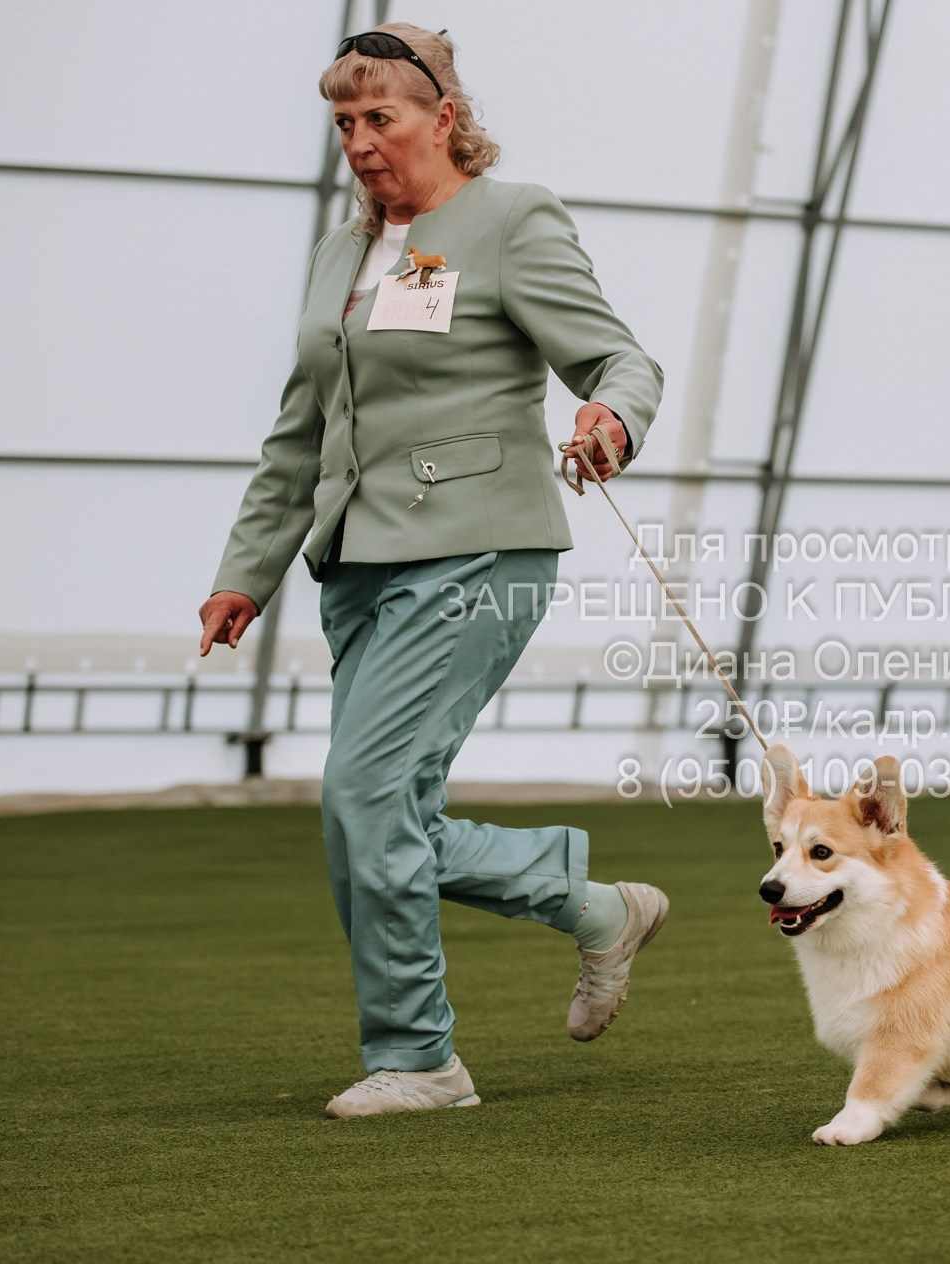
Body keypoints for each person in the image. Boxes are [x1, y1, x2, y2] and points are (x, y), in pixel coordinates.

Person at [196, 23, 667, 1119]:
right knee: (368, 811)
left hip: (479, 548)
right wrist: (245, 573)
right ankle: (592, 907)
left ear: (444, 118)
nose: (359, 141)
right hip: (357, 566)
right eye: (343, 123)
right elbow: (300, 431)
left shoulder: (510, 219)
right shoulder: (339, 252)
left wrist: (610, 415)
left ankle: (421, 1060)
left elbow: (617, 358)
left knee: (365, 798)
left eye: (381, 118)